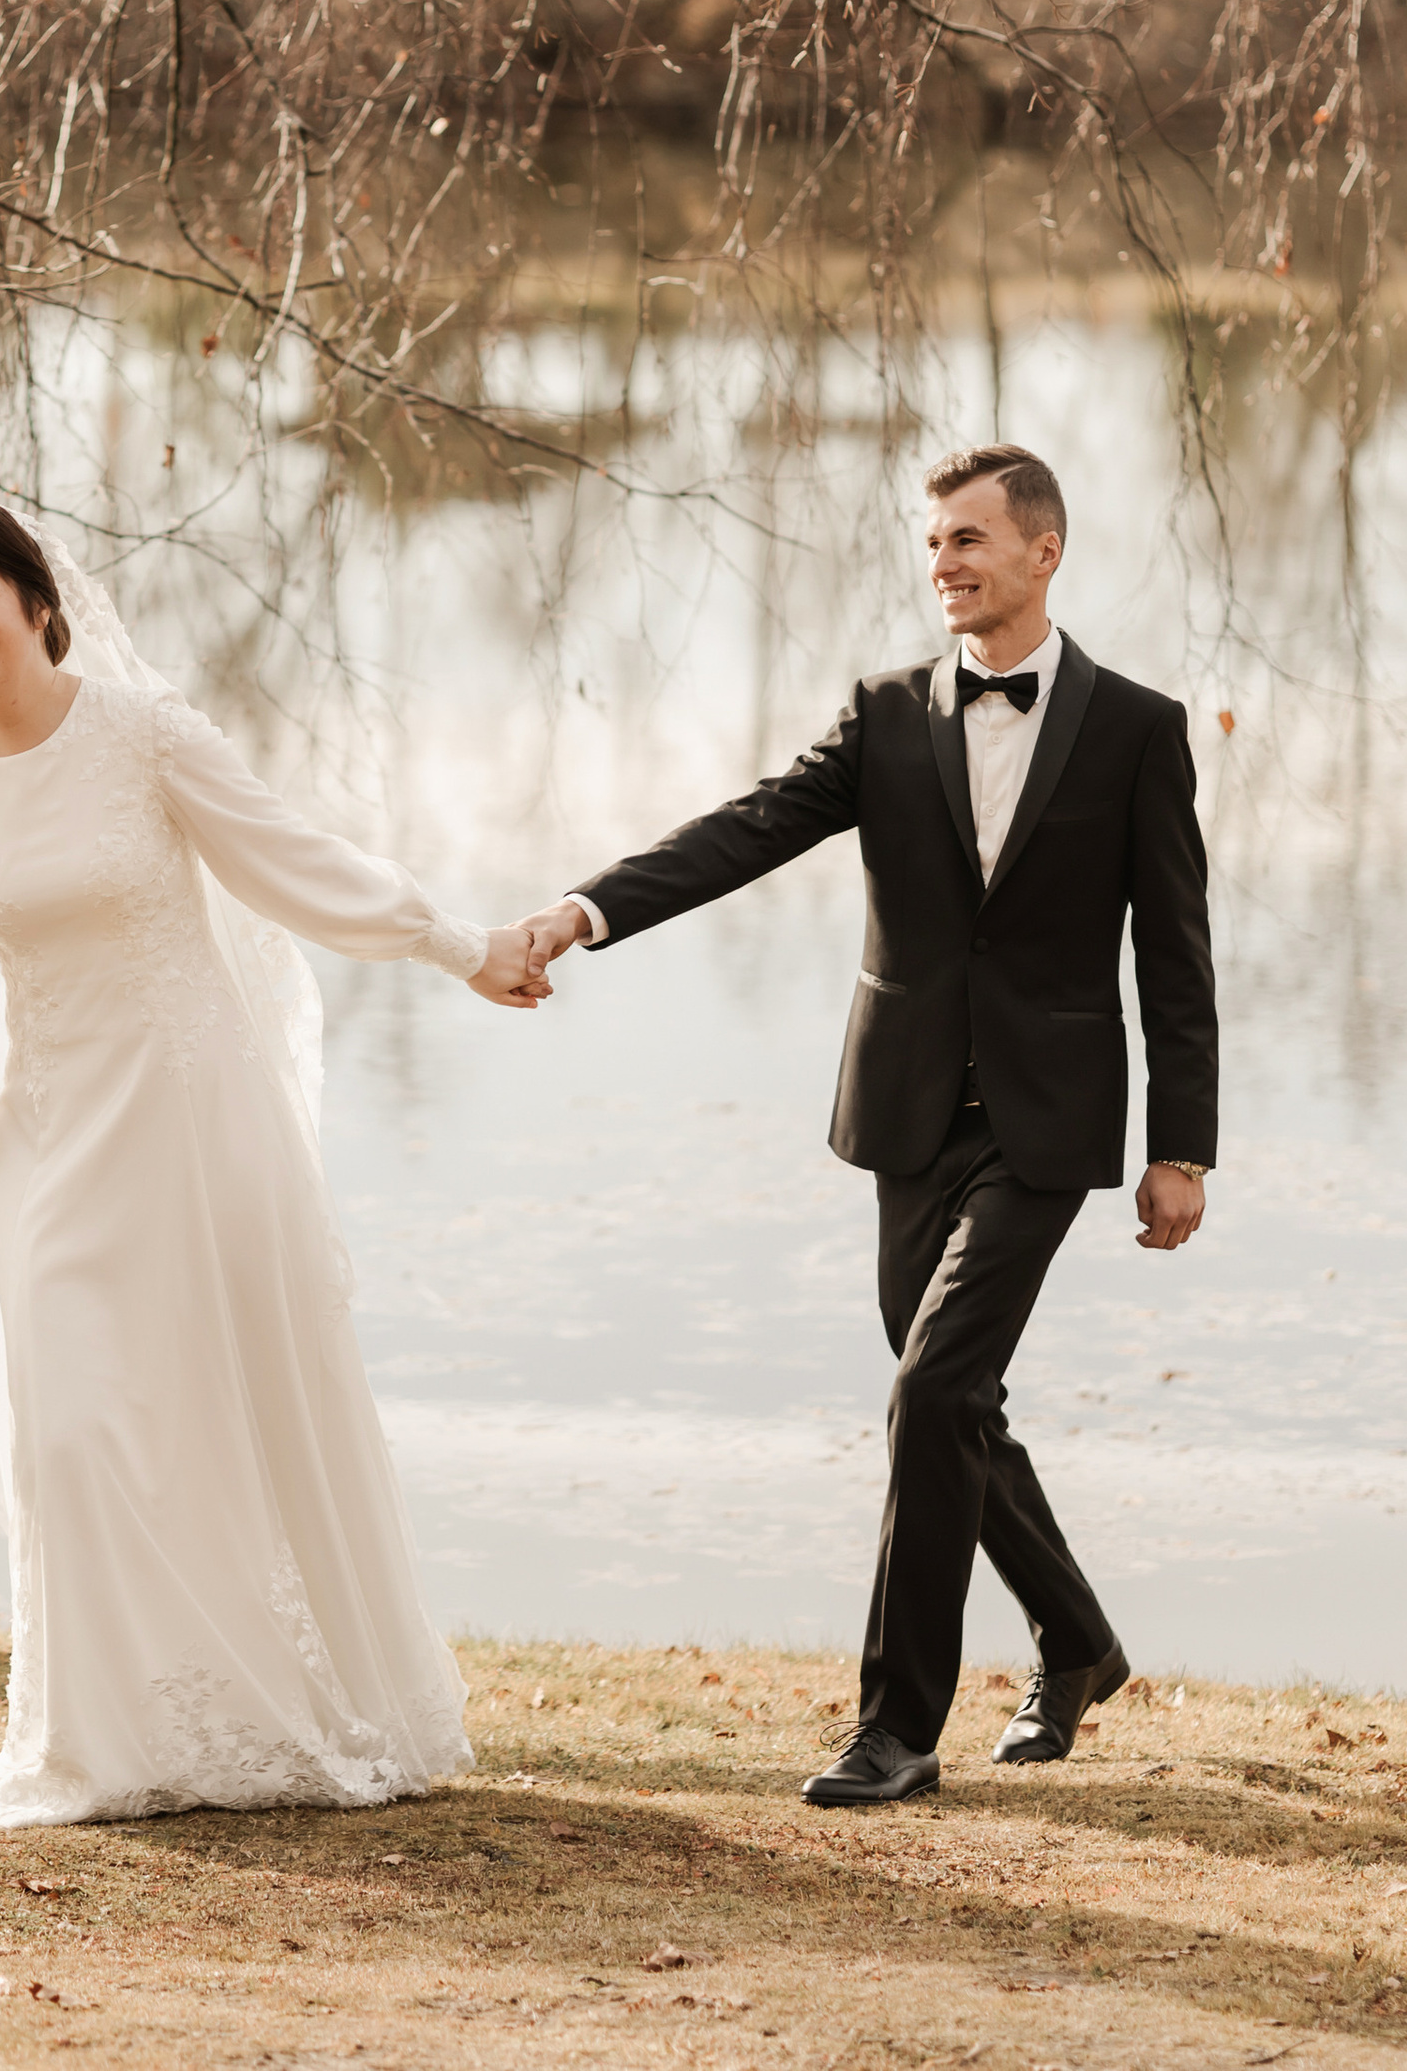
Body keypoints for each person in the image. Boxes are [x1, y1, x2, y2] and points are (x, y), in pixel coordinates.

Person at [508, 445, 1218, 1806]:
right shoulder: (886, 713)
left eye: (968, 541)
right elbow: (751, 829)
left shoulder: (1138, 728)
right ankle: (1076, 1641)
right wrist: (584, 913)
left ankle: (897, 1733)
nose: (943, 564)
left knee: (931, 1390)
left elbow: (1174, 952)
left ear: (1043, 551)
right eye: (935, 543)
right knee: (948, 1400)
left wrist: (1182, 1147)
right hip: (903, 1110)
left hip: (1051, 1121)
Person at [0, 501, 540, 1828]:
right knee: (66, 1435)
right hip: (46, 1140)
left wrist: (460, 947)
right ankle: (113, 1741)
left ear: (37, 606)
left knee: (222, 1415)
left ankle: (279, 1713)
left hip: (193, 1117)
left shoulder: (141, 733)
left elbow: (291, 864)